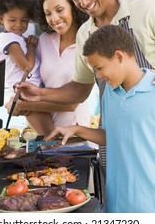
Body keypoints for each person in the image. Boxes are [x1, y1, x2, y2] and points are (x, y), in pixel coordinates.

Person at [12, 0, 155, 171]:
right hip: (113, 134)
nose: (84, 2)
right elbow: (79, 89)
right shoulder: (84, 33)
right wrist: (39, 94)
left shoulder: (147, 9)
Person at [45, 25, 155, 213]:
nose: (98, 76)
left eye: (99, 68)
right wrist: (75, 129)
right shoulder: (110, 93)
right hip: (117, 204)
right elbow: (111, 135)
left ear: (119, 57)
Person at [6, 0, 90, 135]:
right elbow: (35, 82)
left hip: (74, 136)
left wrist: (24, 106)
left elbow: (72, 104)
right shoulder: (44, 40)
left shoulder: (86, 44)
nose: (54, 18)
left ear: (72, 7)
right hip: (44, 133)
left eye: (59, 10)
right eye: (48, 13)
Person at [0, 0, 41, 101]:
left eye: (24, 20)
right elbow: (27, 67)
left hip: (32, 91)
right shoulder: (9, 40)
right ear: (1, 19)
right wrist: (31, 46)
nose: (18, 25)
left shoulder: (19, 38)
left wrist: (32, 41)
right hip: (25, 94)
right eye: (12, 20)